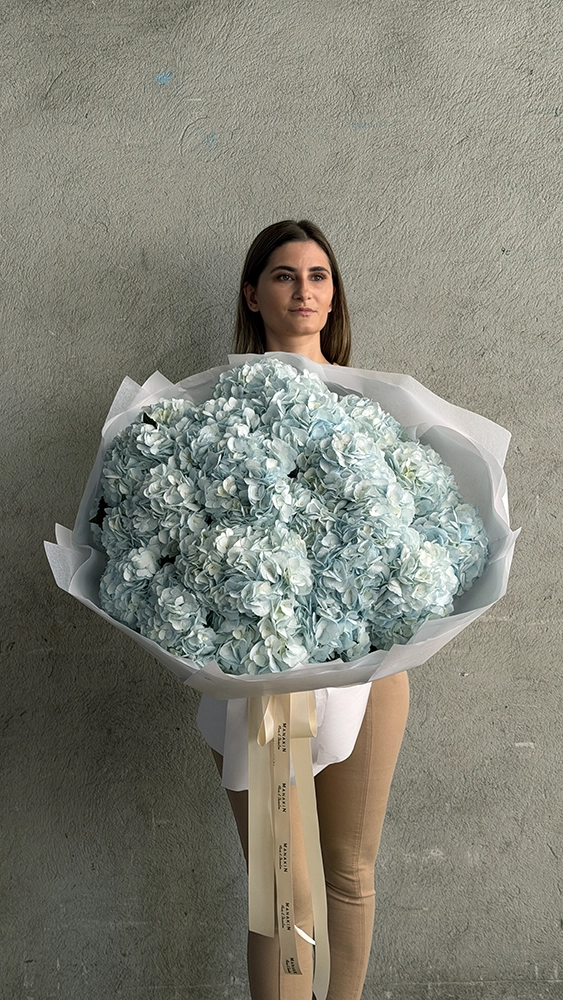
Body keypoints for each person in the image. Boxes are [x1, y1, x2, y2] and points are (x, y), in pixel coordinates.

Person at [196, 220, 410, 1000]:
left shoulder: (376, 406)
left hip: (369, 668)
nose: (304, 291)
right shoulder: (211, 409)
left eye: (318, 275)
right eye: (284, 275)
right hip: (260, 676)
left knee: (349, 872)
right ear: (253, 295)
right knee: (278, 891)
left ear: (334, 294)